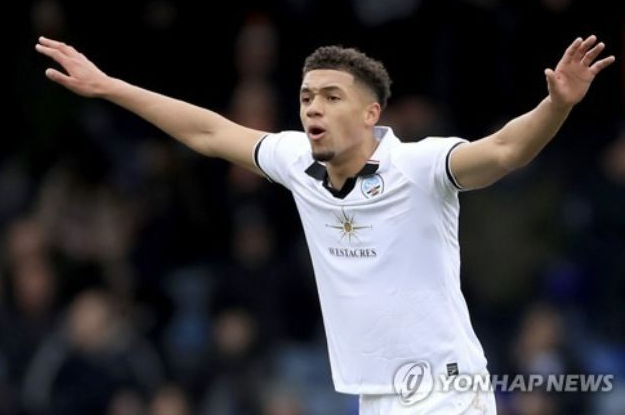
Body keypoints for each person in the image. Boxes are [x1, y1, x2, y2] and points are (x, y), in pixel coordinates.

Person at [35, 35, 614, 414]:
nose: (313, 107)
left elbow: (507, 150)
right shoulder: (295, 161)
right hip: (372, 394)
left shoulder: (420, 166)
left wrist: (557, 104)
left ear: (370, 114)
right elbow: (208, 132)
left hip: (445, 392)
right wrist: (109, 86)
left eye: (331, 97)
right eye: (307, 96)